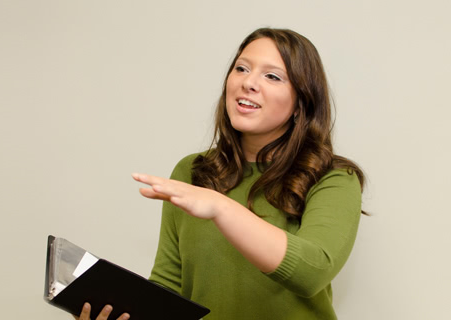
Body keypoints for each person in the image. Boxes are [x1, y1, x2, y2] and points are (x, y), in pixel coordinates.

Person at [77, 27, 367, 320]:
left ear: (300, 103)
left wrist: (221, 207)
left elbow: (311, 271)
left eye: (272, 76)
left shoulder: (334, 179)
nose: (248, 83)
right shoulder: (192, 172)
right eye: (241, 68)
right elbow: (168, 287)